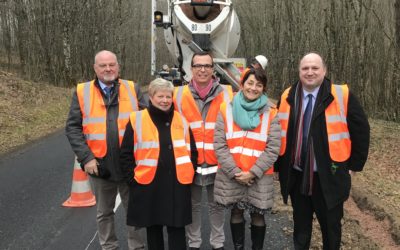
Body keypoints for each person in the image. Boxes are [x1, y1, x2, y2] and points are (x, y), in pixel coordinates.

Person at [275, 52, 370, 250]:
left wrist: (354, 165)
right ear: (299, 71)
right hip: (298, 175)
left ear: (324, 70)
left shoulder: (341, 94)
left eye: (315, 68)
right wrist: (278, 166)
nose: (310, 72)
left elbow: (361, 130)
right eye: (305, 68)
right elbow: (278, 132)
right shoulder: (287, 96)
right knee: (301, 230)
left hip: (329, 177)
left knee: (331, 231)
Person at [65, 50, 146, 250]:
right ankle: (109, 246)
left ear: (118, 66)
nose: (108, 69)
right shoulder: (82, 91)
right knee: (104, 213)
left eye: (112, 64)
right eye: (103, 65)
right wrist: (87, 158)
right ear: (95, 68)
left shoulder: (132, 88)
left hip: (131, 164)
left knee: (134, 211)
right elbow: (73, 128)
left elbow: (148, 121)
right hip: (100, 165)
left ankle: (137, 247)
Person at [120, 78, 198, 250]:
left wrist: (190, 172)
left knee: (177, 228)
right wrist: (132, 179)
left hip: (177, 184)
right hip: (148, 184)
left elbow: (192, 151)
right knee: (153, 229)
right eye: (160, 96)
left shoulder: (181, 120)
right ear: (151, 96)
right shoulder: (137, 119)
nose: (164, 100)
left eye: (168, 96)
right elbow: (125, 154)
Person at [213, 68, 281, 250]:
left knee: (258, 215)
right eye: (250, 83)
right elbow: (219, 145)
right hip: (232, 174)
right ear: (242, 85)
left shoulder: (271, 113)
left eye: (259, 85)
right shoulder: (225, 110)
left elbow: (273, 148)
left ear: (264, 89)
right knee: (236, 212)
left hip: (258, 176)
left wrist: (252, 172)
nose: (253, 88)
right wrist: (236, 172)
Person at [173, 51, 233, 250]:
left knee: (217, 206)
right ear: (191, 69)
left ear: (213, 68)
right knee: (194, 206)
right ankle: (194, 244)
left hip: (219, 161)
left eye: (207, 65)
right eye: (198, 65)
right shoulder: (178, 94)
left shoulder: (227, 92)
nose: (202, 69)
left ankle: (218, 244)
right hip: (190, 162)